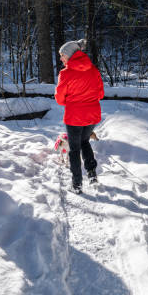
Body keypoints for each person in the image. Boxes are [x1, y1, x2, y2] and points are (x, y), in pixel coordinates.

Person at [54, 39, 104, 194]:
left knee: (74, 149)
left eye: (62, 55)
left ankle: (77, 184)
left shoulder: (65, 73)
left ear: (69, 55)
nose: (61, 59)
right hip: (92, 116)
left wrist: (73, 99)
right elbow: (100, 94)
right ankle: (92, 174)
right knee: (84, 142)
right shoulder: (94, 70)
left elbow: (60, 99)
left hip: (74, 117)